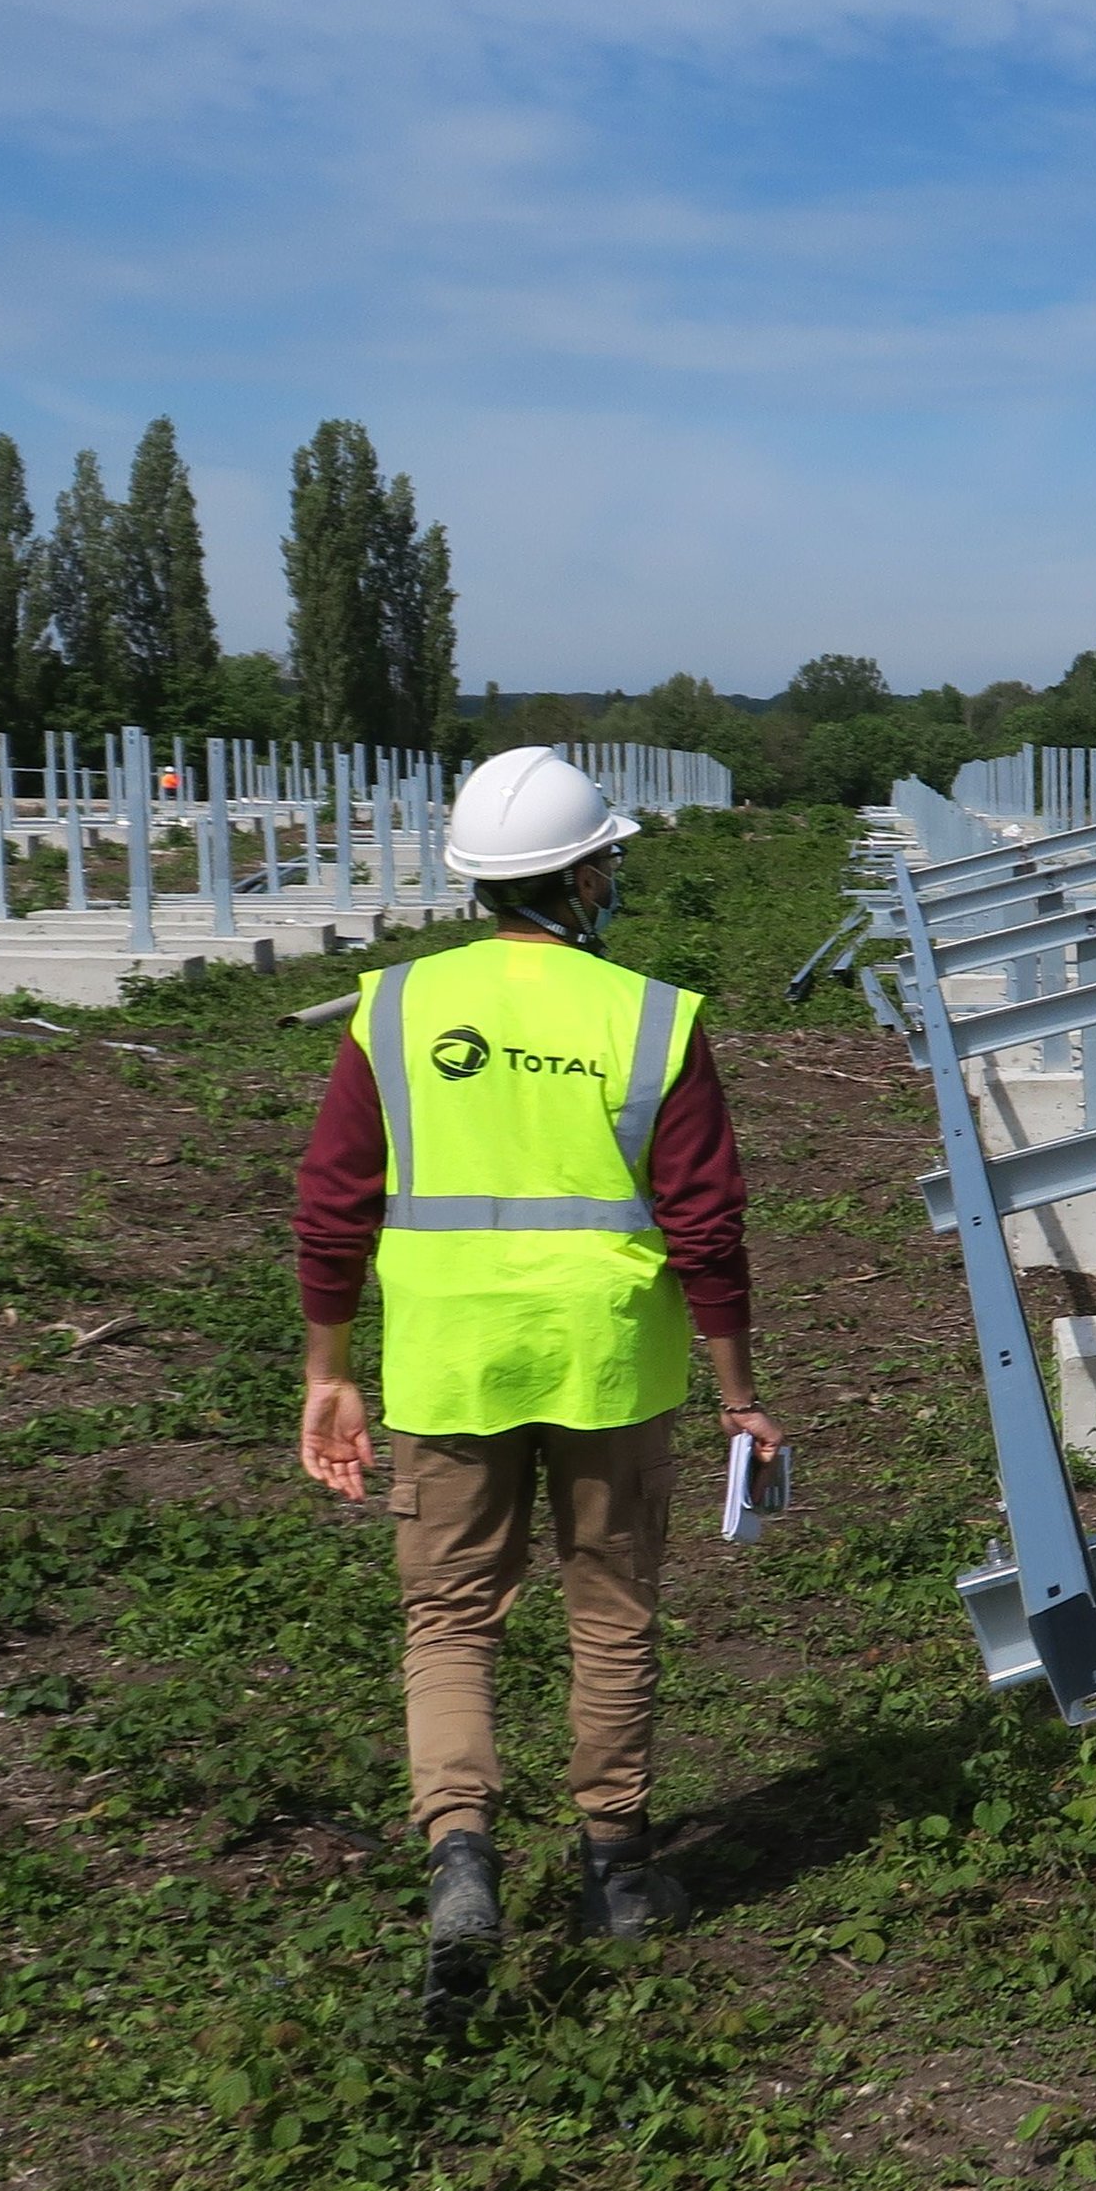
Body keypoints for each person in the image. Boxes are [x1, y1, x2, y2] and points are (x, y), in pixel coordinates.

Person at [290, 748, 782, 2002]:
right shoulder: (649, 1016)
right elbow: (706, 1224)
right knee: (608, 1605)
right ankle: (616, 1867)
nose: (613, 878)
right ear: (576, 876)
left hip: (450, 1358)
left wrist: (329, 1367)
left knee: (448, 1616)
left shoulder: (393, 1007)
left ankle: (462, 1855)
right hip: (608, 1360)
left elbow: (333, 1200)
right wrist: (736, 1388)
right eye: (605, 861)